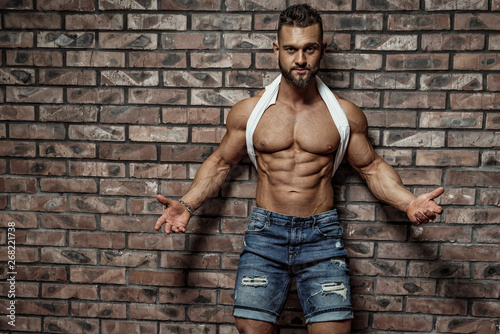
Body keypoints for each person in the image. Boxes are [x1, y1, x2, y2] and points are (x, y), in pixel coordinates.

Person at [155, 4, 444, 334]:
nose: (301, 59)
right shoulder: (249, 112)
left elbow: (373, 169)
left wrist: (408, 202)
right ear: (277, 49)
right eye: (291, 49)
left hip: (321, 235)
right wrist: (188, 203)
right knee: (251, 329)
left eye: (310, 48)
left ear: (323, 49)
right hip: (267, 233)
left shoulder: (344, 115)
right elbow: (221, 163)